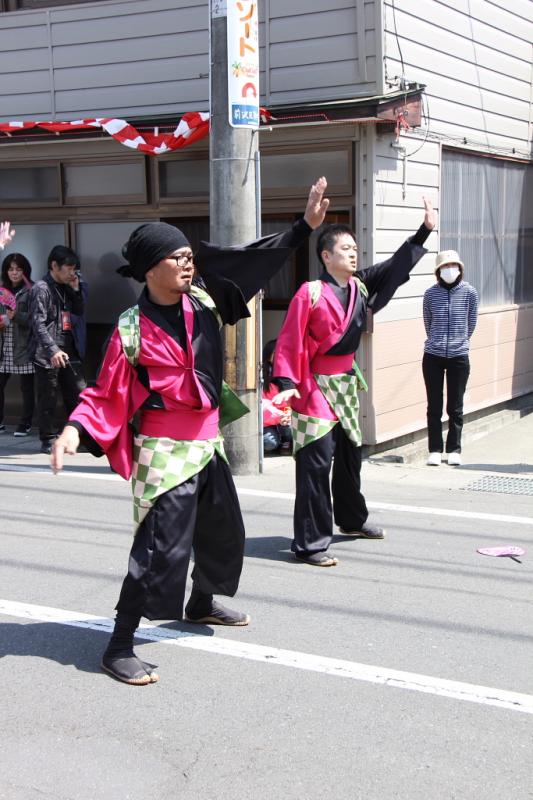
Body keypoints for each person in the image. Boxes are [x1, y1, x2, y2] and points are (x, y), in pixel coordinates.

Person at [51, 177, 330, 686]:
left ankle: (200, 602)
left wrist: (302, 229)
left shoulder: (203, 301)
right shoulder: (131, 328)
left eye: (187, 255)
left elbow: (251, 263)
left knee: (224, 533)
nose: (187, 262)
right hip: (163, 450)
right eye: (176, 256)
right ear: (149, 268)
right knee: (158, 549)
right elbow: (106, 392)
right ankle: (118, 646)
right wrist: (75, 428)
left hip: (208, 441)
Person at [272, 198, 437, 567]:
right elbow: (289, 340)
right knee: (315, 466)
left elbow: (396, 268)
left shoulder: (360, 288)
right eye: (345, 248)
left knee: (349, 458)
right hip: (313, 386)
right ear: (326, 256)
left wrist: (424, 231)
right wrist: (285, 380)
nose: (353, 254)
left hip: (345, 383)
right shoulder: (309, 293)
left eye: (355, 249)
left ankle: (351, 519)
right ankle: (310, 543)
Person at [422, 250, 478, 467]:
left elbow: (471, 323)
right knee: (434, 405)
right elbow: (428, 322)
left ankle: (454, 449)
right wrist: (437, 340)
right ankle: (434, 450)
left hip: (459, 357)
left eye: (453, 265)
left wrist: (459, 342)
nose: (449, 269)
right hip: (432, 356)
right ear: (438, 271)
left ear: (460, 269)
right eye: (445, 266)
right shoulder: (430, 294)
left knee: (455, 406)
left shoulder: (470, 293)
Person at [30, 245, 86, 454]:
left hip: (68, 346)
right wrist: (52, 350)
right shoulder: (41, 288)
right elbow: (37, 323)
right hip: (47, 351)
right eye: (69, 268)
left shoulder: (65, 285)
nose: (72, 272)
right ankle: (48, 438)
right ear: (54, 266)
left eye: (74, 268)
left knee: (78, 392)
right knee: (48, 396)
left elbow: (79, 310)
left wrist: (76, 289)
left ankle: (77, 436)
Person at [0, 253, 35, 435]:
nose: (14, 273)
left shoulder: (32, 290)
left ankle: (25, 423)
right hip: (4, 342)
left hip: (23, 344)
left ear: (25, 271)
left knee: (26, 387)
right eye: (11, 269)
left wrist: (17, 317)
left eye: (18, 269)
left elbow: (38, 319)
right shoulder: (1, 290)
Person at [262, 339, 292, 454]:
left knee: (288, 426)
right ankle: (279, 441)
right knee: (268, 442)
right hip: (270, 421)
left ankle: (287, 441)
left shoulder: (289, 373)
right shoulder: (263, 375)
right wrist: (278, 415)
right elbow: (263, 404)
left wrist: (288, 414)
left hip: (288, 419)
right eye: (276, 353)